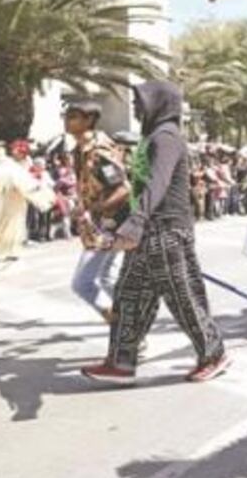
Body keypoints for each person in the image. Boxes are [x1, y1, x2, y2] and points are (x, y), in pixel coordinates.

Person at [81, 81, 229, 385]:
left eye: (141, 102)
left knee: (182, 297)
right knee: (128, 297)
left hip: (167, 230)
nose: (136, 108)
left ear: (159, 103)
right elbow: (139, 187)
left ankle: (214, 355)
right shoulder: (152, 138)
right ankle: (121, 363)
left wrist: (134, 223)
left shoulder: (167, 138)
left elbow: (156, 185)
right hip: (148, 231)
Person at [65, 100, 131, 323]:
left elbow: (123, 189)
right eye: (66, 116)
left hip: (107, 226)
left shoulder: (99, 152)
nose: (67, 120)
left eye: (73, 116)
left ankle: (121, 321)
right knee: (107, 278)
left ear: (89, 120)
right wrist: (82, 207)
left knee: (82, 283)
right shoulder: (80, 151)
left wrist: (97, 209)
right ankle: (132, 325)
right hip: (97, 225)